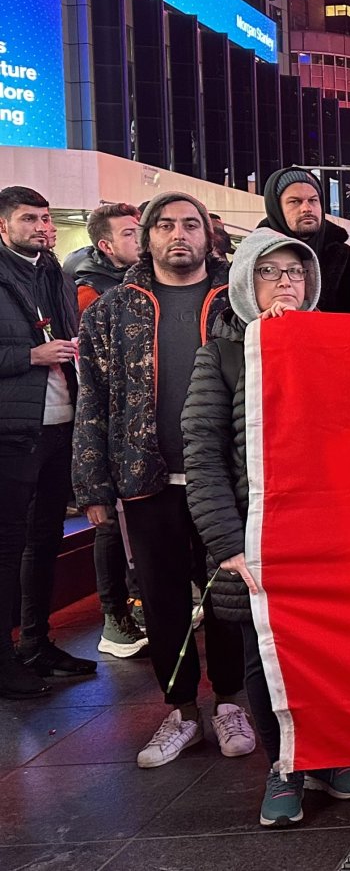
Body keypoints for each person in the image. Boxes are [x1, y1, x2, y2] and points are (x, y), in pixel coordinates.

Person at [180, 228, 350, 826]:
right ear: (245, 284)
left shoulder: (334, 347)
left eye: (296, 272)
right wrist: (228, 544)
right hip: (258, 536)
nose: (286, 282)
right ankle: (285, 764)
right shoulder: (224, 354)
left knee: (332, 651)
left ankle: (333, 753)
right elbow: (202, 452)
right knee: (270, 659)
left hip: (329, 532)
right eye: (271, 272)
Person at [73, 192, 253, 766]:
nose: (180, 235)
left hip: (226, 479)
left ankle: (229, 702)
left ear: (209, 235)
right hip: (144, 476)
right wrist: (93, 486)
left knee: (228, 594)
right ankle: (180, 713)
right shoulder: (109, 309)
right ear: (146, 235)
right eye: (166, 225)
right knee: (163, 598)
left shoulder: (237, 302)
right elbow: (93, 402)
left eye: (192, 225)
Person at [0, 187, 96, 698]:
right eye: (28, 218)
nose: (41, 226)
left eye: (44, 217)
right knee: (7, 545)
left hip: (62, 424)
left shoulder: (53, 272)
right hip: (13, 432)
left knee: (44, 542)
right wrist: (30, 356)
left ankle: (36, 643)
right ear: (3, 225)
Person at [64, 203, 151, 659]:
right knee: (111, 529)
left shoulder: (142, 285)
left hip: (150, 433)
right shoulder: (92, 297)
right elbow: (94, 388)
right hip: (116, 432)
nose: (141, 239)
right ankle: (115, 615)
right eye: (131, 233)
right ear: (106, 244)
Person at [260, 168, 350, 314]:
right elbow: (234, 325)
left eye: (313, 200)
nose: (306, 208)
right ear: (276, 208)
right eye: (295, 201)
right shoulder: (252, 263)